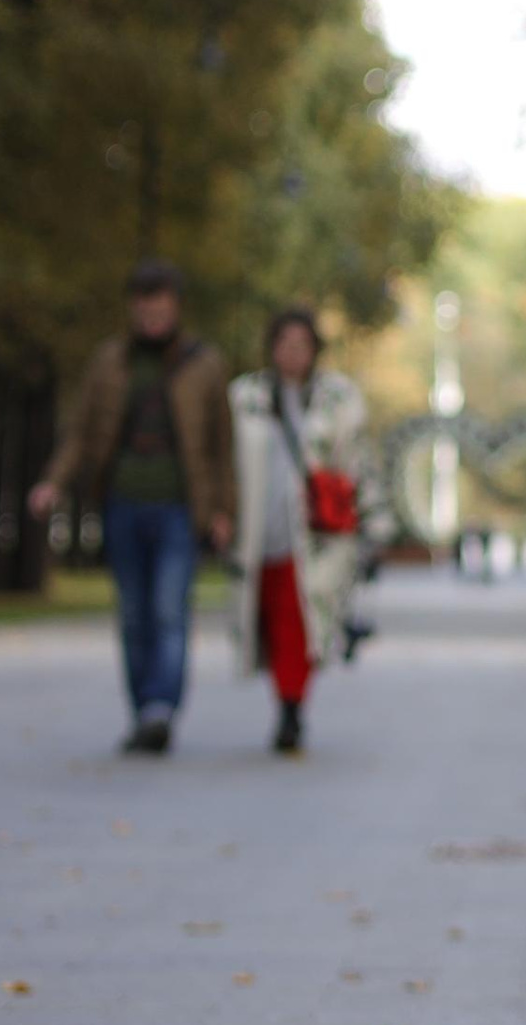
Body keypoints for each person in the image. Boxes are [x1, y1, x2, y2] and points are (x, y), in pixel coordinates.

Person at [28, 258, 233, 755]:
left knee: (167, 608)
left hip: (181, 508)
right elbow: (82, 432)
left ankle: (161, 707)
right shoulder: (110, 362)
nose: (152, 317)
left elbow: (222, 446)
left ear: (176, 308)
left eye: (161, 306)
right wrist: (53, 482)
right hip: (122, 502)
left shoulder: (206, 366)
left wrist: (224, 510)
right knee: (134, 613)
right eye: (143, 307)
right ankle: (143, 709)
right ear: (133, 309)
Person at [228, 307, 370, 754]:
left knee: (299, 619)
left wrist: (370, 525)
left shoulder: (339, 399)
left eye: (301, 346)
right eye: (284, 345)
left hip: (314, 533)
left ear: (314, 351)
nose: (293, 354)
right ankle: (285, 700)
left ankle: (291, 709)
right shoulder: (244, 396)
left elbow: (358, 463)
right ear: (271, 349)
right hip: (258, 528)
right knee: (268, 619)